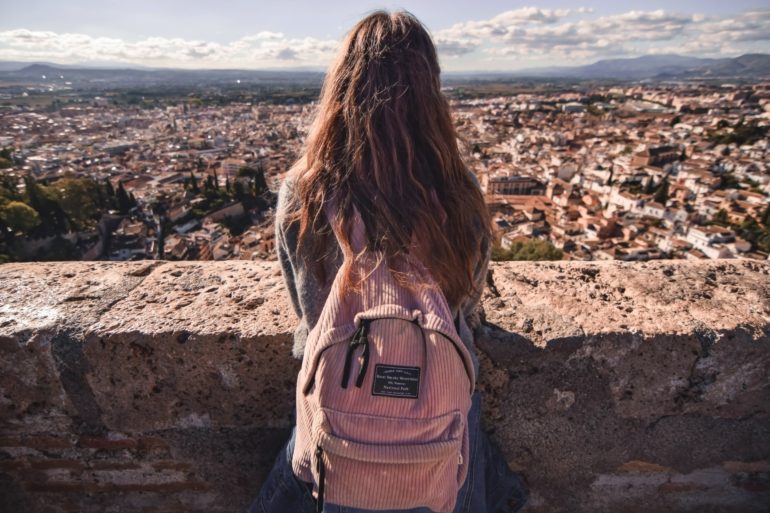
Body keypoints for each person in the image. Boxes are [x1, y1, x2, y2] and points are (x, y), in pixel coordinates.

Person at [246, 10, 527, 513]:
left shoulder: (304, 190)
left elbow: (306, 311)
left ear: (341, 86)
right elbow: (468, 305)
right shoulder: (457, 191)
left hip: (338, 411)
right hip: (440, 418)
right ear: (430, 90)